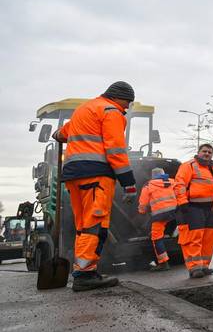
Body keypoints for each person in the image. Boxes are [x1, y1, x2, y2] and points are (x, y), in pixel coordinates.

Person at [53, 81, 138, 292]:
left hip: (73, 175)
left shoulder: (86, 109)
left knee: (84, 225)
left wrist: (57, 135)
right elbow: (116, 150)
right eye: (127, 102)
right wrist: (128, 184)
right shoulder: (112, 112)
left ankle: (85, 269)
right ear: (117, 97)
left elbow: (63, 133)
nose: (126, 107)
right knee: (96, 225)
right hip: (96, 175)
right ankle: (84, 274)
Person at [173, 144, 213, 278]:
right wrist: (183, 203)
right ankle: (194, 267)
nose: (207, 154)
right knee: (194, 238)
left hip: (211, 209)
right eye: (204, 151)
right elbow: (179, 184)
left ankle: (204, 265)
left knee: (208, 239)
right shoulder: (188, 166)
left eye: (210, 152)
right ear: (198, 152)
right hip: (194, 208)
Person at [137, 166, 177, 271]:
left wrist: (141, 212)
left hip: (160, 215)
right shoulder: (173, 182)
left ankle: (164, 263)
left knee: (156, 238)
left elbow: (143, 203)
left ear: (152, 176)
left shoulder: (148, 185)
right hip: (175, 213)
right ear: (163, 174)